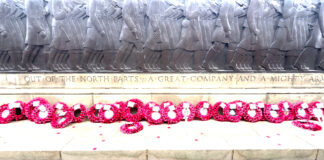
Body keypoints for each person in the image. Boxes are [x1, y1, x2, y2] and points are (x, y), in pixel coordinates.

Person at [203, 0, 247, 71]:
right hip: (223, 26)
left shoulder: (237, 2)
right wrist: (227, 29)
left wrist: (241, 10)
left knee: (233, 46)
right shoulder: (227, 1)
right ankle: (205, 63)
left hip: (233, 26)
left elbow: (233, 13)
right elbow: (223, 15)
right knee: (218, 46)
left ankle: (228, 65)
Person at [142, 0, 184, 71]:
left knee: (166, 45)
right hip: (155, 24)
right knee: (150, 44)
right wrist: (156, 27)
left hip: (165, 24)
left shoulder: (169, 2)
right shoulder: (154, 1)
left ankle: (164, 65)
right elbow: (150, 13)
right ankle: (141, 63)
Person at [113, 0, 146, 71]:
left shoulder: (140, 2)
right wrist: (133, 27)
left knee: (140, 47)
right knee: (125, 47)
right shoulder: (128, 1)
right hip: (129, 28)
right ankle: (117, 63)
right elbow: (126, 15)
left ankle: (140, 65)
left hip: (139, 28)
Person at [22, 0, 51, 71]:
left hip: (42, 24)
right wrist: (40, 29)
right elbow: (30, 16)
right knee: (31, 46)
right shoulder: (29, 1)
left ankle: (30, 63)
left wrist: (47, 5)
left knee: (37, 47)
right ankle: (24, 63)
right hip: (33, 26)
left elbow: (45, 12)